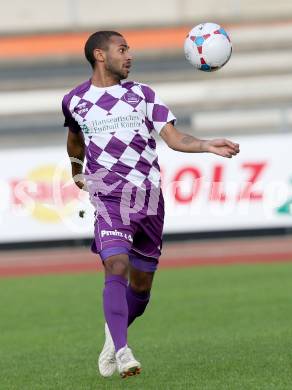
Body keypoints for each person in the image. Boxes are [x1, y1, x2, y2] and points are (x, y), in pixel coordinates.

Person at [62, 30, 240, 379]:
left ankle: (112, 337)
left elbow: (174, 138)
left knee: (141, 291)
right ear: (100, 55)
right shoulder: (75, 100)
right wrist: (76, 171)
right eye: (122, 49)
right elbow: (74, 138)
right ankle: (124, 351)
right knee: (115, 265)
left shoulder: (143, 94)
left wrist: (205, 145)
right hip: (109, 195)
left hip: (148, 199)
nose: (129, 56)